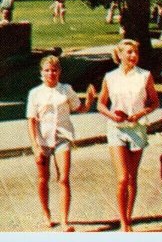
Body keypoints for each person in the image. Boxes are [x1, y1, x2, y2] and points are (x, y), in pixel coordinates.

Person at [26, 55, 96, 231]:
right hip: (42, 139)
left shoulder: (66, 90)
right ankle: (46, 215)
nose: (51, 73)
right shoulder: (35, 93)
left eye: (54, 70)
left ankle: (64, 220)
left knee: (63, 178)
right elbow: (31, 120)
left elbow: (80, 108)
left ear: (59, 72)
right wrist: (35, 146)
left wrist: (89, 101)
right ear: (41, 73)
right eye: (47, 70)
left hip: (62, 138)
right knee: (43, 179)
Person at [96, 39, 159, 232]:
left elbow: (154, 103)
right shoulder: (110, 77)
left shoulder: (145, 76)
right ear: (120, 55)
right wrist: (111, 115)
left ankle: (129, 216)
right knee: (122, 178)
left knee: (132, 177)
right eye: (129, 52)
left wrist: (140, 113)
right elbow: (100, 104)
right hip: (116, 129)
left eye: (135, 53)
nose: (133, 56)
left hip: (137, 128)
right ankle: (123, 221)